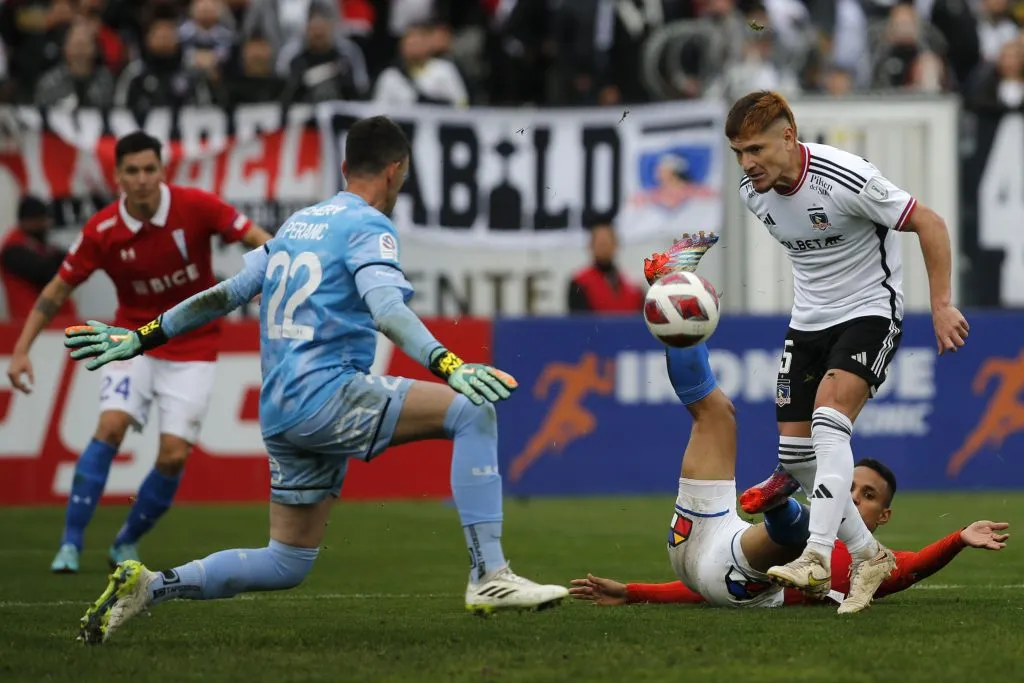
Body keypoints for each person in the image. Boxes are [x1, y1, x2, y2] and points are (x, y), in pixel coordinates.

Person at [66, 116, 568, 645]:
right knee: (471, 410)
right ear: (397, 171)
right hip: (326, 394)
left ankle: (151, 586)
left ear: (346, 166)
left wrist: (140, 337)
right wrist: (450, 364)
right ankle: (489, 576)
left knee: (287, 561)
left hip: (280, 411)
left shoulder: (298, 224)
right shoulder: (369, 225)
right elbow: (388, 310)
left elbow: (225, 294)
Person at [726, 90, 968, 611]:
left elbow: (930, 222)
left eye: (755, 149)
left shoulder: (846, 178)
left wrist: (942, 304)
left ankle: (815, 553)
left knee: (828, 422)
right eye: (738, 153)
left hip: (869, 311)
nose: (747, 164)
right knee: (795, 458)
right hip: (807, 323)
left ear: (788, 137)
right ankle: (868, 553)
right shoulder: (754, 192)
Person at [5, 131, 271, 574]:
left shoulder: (197, 206)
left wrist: (272, 270)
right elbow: (56, 291)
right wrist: (20, 350)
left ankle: (125, 541)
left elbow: (258, 238)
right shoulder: (103, 230)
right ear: (118, 177)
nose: (143, 179)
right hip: (131, 341)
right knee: (110, 426)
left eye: (150, 169)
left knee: (172, 455)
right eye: (133, 171)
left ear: (162, 171)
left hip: (193, 346)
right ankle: (69, 545)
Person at [570, 462, 1010, 607]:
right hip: (746, 557)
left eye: (868, 495)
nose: (854, 498)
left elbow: (911, 567)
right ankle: (783, 506)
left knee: (744, 572)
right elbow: (709, 583)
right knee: (784, 542)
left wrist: (959, 538)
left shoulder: (868, 568)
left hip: (747, 584)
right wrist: (631, 591)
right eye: (849, 487)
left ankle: (783, 503)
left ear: (885, 515)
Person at [0, 195, 77, 320]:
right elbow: (44, 272)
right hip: (31, 325)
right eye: (40, 220)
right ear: (27, 221)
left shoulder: (40, 246)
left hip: (55, 324)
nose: (45, 225)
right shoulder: (13, 250)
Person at [567, 223, 644, 314]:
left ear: (616, 246)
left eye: (607, 243)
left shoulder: (634, 286)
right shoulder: (579, 282)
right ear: (590, 247)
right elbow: (580, 322)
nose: (604, 247)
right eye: (600, 243)